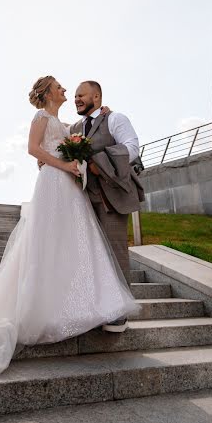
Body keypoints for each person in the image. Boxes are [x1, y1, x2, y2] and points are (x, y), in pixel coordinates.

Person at [0, 75, 140, 378]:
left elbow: (96, 143)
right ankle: (46, 305)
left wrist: (90, 144)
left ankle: (100, 308)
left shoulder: (81, 123)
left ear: (96, 97)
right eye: (65, 89)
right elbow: (34, 149)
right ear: (48, 92)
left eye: (80, 93)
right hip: (56, 184)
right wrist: (63, 165)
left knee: (76, 244)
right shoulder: (44, 117)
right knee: (48, 242)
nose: (69, 93)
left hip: (77, 190)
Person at [71, 81, 144, 332]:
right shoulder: (75, 128)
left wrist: (98, 163)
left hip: (110, 197)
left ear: (96, 96)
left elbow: (132, 149)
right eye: (74, 96)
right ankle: (95, 307)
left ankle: (119, 312)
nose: (76, 99)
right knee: (89, 253)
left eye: (81, 95)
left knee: (115, 252)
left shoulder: (116, 119)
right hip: (82, 198)